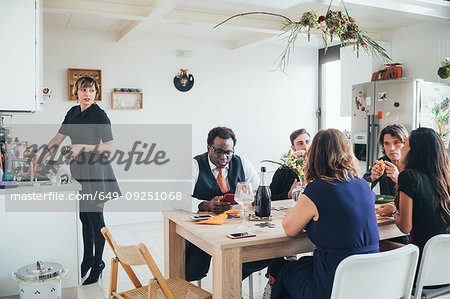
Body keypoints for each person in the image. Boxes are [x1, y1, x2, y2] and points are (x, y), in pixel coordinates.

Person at [271, 129, 379, 299]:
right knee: (304, 264)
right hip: (367, 282)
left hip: (333, 286)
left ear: (314, 156)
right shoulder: (362, 185)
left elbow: (289, 228)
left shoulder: (317, 189)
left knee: (282, 269)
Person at [34, 76, 121, 285]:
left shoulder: (100, 115)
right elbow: (57, 139)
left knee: (97, 221)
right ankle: (87, 260)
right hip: (79, 171)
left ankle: (98, 263)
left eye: (91, 90)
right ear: (77, 92)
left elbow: (109, 147)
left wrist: (83, 147)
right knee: (84, 218)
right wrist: (40, 157)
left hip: (97, 173)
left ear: (96, 93)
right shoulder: (72, 113)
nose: (87, 94)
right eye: (84, 90)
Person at [187, 126, 271, 281]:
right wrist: (204, 205)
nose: (224, 157)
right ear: (208, 148)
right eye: (219, 151)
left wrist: (250, 198)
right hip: (204, 229)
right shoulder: (195, 165)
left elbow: (258, 190)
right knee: (192, 269)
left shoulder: (242, 162)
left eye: (228, 152)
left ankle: (230, 281)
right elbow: (176, 199)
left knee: (266, 251)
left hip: (236, 226)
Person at [376, 127, 450, 258]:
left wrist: (393, 212)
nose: (402, 148)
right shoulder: (444, 177)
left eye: (406, 144)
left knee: (376, 244)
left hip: (422, 255)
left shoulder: (408, 177)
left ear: (414, 151)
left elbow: (405, 227)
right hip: (443, 259)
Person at [363, 124, 408, 195]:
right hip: (386, 205)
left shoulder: (414, 165)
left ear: (405, 144)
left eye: (396, 142)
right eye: (387, 144)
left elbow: (422, 197)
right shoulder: (383, 163)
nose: (391, 148)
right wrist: (372, 178)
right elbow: (359, 188)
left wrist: (399, 180)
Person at [269, 129, 310, 200]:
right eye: (300, 143)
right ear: (293, 148)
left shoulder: (320, 169)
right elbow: (269, 197)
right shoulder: (283, 171)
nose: (305, 147)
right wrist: (288, 194)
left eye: (307, 142)